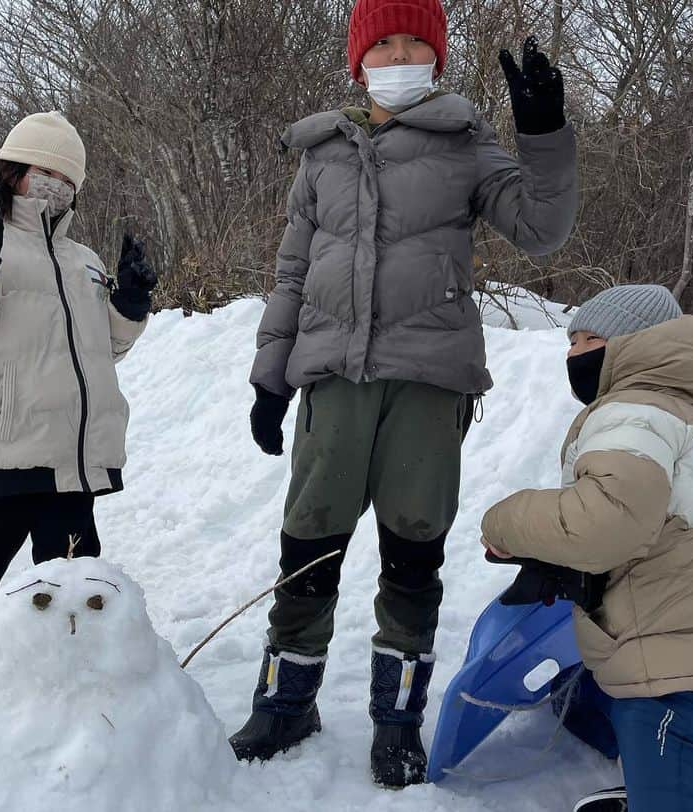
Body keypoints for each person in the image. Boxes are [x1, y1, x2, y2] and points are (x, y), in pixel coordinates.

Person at [232, 0, 578, 787]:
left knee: (413, 546)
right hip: (333, 379)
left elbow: (541, 228)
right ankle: (288, 699)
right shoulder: (321, 153)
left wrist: (545, 134)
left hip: (427, 380)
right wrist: (269, 377)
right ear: (358, 59)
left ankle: (398, 719)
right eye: (382, 42)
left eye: (413, 42)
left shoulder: (463, 142)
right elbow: (292, 273)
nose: (397, 54)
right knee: (309, 538)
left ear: (436, 57)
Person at [480, 285, 693, 811]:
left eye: (591, 339)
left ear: (637, 344)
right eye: (571, 340)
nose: (574, 353)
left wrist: (504, 521)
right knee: (582, 703)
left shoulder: (634, 411)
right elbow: (654, 526)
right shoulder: (674, 414)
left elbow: (608, 523)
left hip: (690, 678)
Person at [0, 111, 158, 711]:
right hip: (6, 440)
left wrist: (132, 303)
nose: (54, 187)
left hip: (73, 453)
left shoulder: (83, 258)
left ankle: (69, 668)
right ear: (12, 171)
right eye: (42, 172)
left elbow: (107, 347)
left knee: (73, 574)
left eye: (66, 179)